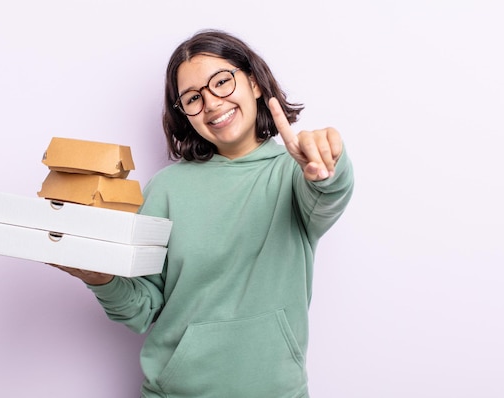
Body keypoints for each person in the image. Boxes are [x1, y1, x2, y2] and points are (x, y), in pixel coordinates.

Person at [52, 29, 354, 398]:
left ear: (254, 83)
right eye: (193, 98)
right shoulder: (166, 189)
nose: (211, 103)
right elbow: (142, 308)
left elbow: (330, 192)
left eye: (222, 82)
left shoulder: (294, 175)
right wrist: (101, 280)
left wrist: (328, 165)